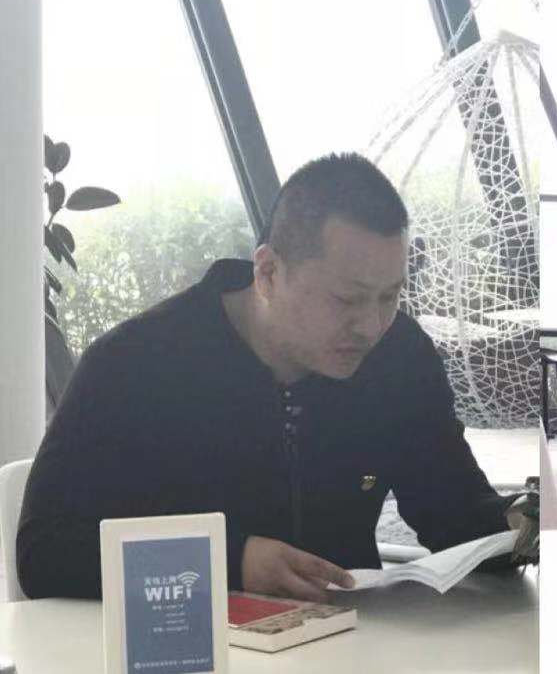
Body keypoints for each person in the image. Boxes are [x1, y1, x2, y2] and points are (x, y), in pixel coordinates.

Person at [17, 153, 523, 601]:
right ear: (267, 272)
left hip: (355, 647)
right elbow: (46, 552)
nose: (371, 326)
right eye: (346, 299)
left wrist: (520, 524)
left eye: (390, 296)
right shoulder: (135, 364)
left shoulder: (399, 358)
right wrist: (231, 561)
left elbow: (456, 514)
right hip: (191, 650)